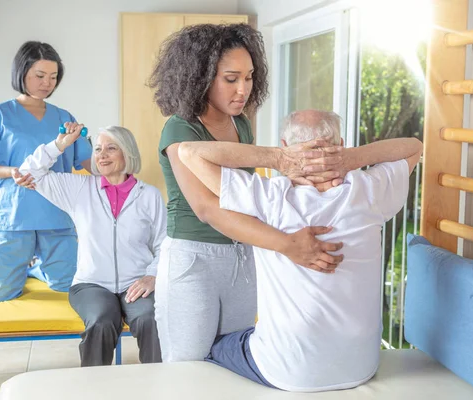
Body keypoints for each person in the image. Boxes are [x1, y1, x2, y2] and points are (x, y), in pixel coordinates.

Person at [178, 109, 423, 392]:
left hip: (288, 372)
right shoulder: (369, 190)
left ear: (286, 147)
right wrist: (352, 159)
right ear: (340, 145)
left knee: (211, 345)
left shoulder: (269, 197)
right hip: (360, 365)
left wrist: (277, 160)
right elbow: (413, 147)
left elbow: (189, 152)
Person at [148, 24, 346, 362]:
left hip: (243, 258)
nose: (243, 89)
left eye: (250, 77)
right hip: (194, 259)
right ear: (201, 78)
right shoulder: (181, 128)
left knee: (231, 362)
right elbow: (208, 208)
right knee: (188, 368)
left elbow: (247, 194)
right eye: (231, 78)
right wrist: (286, 245)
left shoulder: (240, 123)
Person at [18, 123, 164, 366]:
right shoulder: (79, 189)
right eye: (97, 149)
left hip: (137, 282)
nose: (102, 155)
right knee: (101, 321)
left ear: (127, 152)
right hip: (91, 284)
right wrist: (61, 143)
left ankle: (159, 385)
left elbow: (164, 243)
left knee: (151, 320)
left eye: (111, 148)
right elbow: (29, 172)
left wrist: (153, 275)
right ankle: (93, 388)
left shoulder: (149, 195)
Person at [0, 41, 92, 301]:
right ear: (22, 73)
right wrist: (11, 171)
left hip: (56, 212)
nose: (47, 83)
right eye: (40, 76)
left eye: (53, 77)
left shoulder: (64, 118)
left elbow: (89, 163)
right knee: (0, 293)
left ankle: (35, 269)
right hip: (14, 214)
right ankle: (24, 266)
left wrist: (116, 152)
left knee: (66, 285)